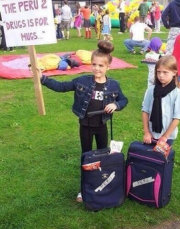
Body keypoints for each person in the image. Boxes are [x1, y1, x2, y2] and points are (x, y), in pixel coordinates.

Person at [39, 40, 128, 202]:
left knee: (103, 157)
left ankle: (102, 183)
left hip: (102, 126)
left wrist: (115, 104)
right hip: (85, 127)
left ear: (108, 67)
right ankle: (84, 189)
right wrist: (42, 79)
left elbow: (124, 100)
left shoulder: (114, 85)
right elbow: (61, 86)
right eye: (94, 64)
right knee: (86, 157)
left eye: (101, 66)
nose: (97, 68)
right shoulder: (82, 81)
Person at [142, 55, 180, 147]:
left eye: (165, 72)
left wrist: (165, 136)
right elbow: (145, 111)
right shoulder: (151, 90)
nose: (161, 75)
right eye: (158, 72)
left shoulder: (177, 93)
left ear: (174, 73)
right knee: (148, 158)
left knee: (161, 159)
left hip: (168, 136)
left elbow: (177, 117)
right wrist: (146, 132)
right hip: (151, 134)